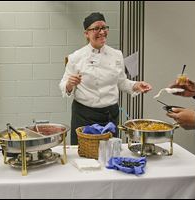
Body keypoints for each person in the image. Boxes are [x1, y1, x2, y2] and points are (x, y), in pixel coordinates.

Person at [59, 12, 152, 145]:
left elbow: (121, 82)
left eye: (104, 28)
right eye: (96, 29)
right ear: (86, 33)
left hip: (110, 116)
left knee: (109, 156)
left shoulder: (116, 55)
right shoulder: (76, 57)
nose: (102, 32)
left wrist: (136, 85)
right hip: (84, 117)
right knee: (84, 156)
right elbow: (64, 85)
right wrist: (69, 84)